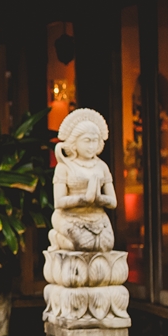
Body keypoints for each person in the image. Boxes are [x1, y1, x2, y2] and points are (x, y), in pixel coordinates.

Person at [48, 108, 116, 252]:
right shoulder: (64, 167)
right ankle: (56, 237)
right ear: (74, 142)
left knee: (106, 245)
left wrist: (97, 199)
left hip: (98, 217)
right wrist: (83, 199)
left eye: (95, 141)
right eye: (87, 141)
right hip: (69, 217)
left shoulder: (101, 166)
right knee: (83, 246)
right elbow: (58, 202)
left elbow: (113, 201)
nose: (91, 146)